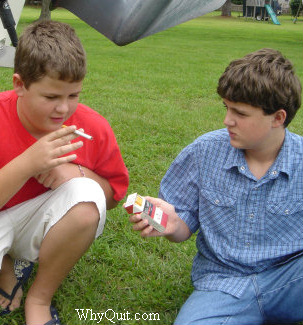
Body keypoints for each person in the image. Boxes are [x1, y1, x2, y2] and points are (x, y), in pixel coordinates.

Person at [129, 48, 303, 324]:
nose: (227, 121)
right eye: (226, 108)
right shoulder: (203, 152)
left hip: (290, 280)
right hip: (223, 283)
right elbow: (182, 224)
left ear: (278, 118)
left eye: (240, 113)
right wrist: (173, 224)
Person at [0, 20, 129, 325]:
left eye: (73, 95)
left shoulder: (92, 126)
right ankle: (8, 266)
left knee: (87, 195)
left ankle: (39, 299)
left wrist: (77, 172)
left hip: (35, 221)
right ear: (19, 85)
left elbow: (111, 197)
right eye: (51, 97)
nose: (63, 109)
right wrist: (28, 163)